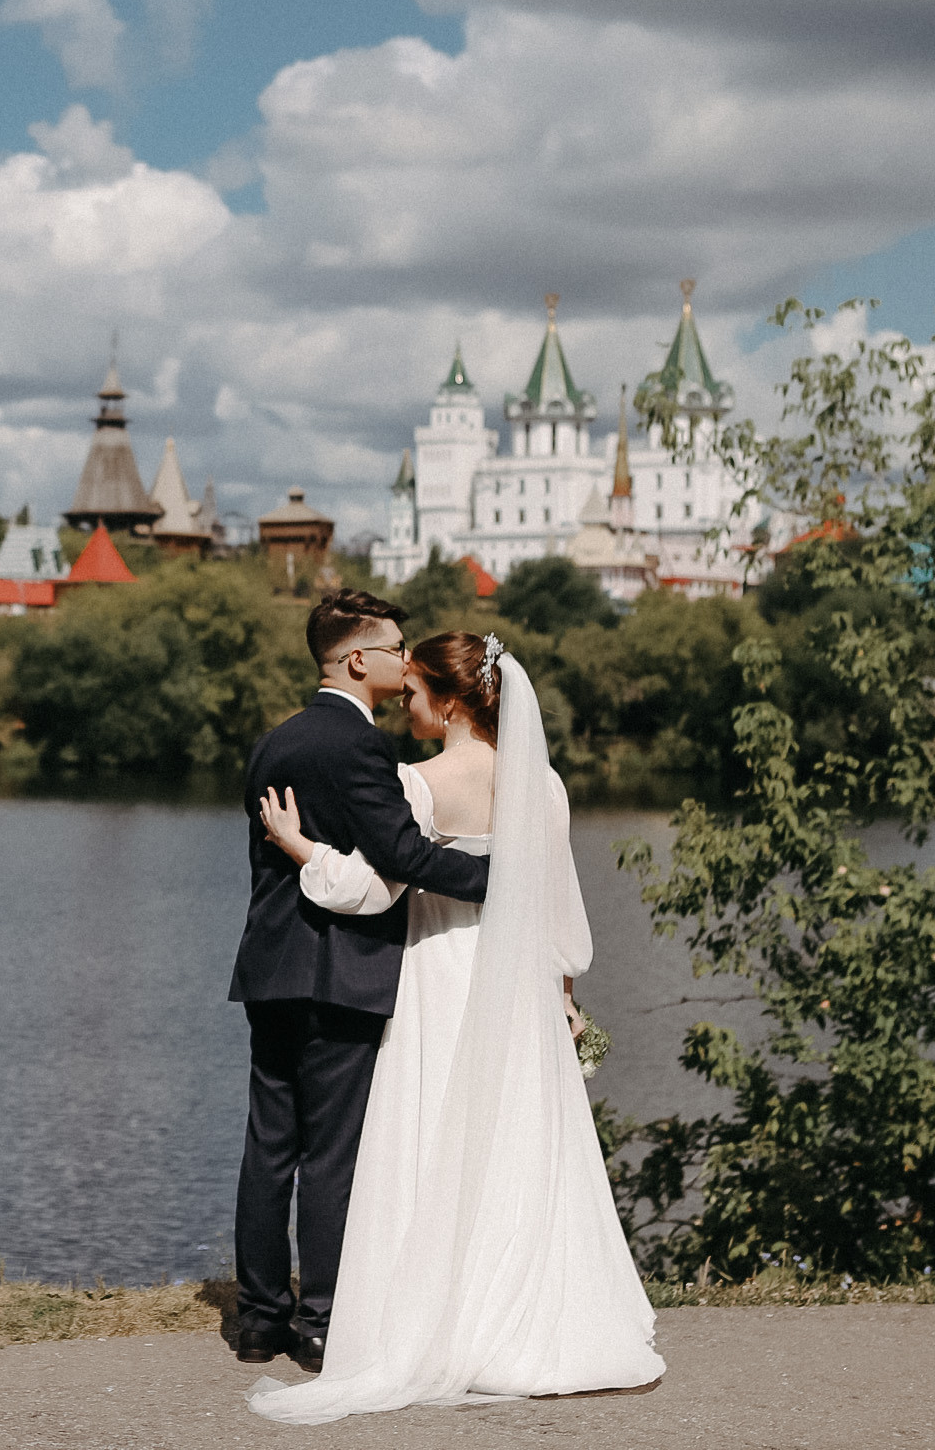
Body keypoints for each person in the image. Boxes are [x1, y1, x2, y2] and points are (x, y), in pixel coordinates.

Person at [246, 631, 665, 1419]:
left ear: (447, 701)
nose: (405, 706)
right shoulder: (544, 786)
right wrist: (564, 992)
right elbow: (560, 906)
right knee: (514, 1138)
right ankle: (526, 1318)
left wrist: (302, 849)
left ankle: (434, 1319)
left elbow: (372, 890)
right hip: (521, 981)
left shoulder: (420, 782)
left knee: (433, 1135)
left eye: (413, 694)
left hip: (441, 971)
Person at [229, 591, 493, 1373]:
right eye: (394, 649)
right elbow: (403, 857)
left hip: (271, 967)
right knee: (332, 1155)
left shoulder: (272, 744)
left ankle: (258, 1319)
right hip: (343, 970)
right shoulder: (362, 748)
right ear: (356, 660)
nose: (406, 661)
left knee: (269, 1146)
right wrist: (505, 876)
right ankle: (320, 1322)